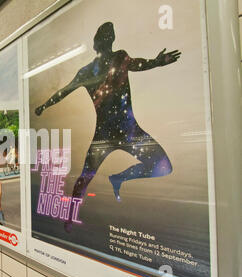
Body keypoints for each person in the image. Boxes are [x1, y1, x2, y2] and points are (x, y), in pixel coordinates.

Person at [35, 22, 181, 232]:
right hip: (109, 134)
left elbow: (140, 64)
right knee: (85, 178)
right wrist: (44, 105)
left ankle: (118, 178)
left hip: (127, 130)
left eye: (109, 35)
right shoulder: (88, 71)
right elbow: (64, 91)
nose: (108, 38)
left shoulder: (119, 58)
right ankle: (70, 217)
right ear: (99, 42)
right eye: (105, 36)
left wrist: (157, 62)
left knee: (163, 166)